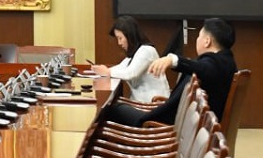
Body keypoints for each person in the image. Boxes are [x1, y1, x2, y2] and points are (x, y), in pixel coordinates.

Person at [106, 17, 237, 127]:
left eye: (199, 36)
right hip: (177, 120)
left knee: (111, 109)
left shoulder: (217, 63)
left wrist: (173, 60)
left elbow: (205, 69)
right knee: (116, 108)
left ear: (207, 41)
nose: (197, 40)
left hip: (169, 124)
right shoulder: (224, 61)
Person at [89, 16, 171, 104]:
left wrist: (107, 72)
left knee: (112, 107)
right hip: (142, 102)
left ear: (130, 36)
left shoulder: (147, 50)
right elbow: (120, 68)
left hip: (154, 104)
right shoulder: (134, 54)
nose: (119, 43)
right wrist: (102, 70)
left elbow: (131, 73)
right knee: (113, 105)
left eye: (120, 38)